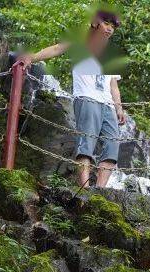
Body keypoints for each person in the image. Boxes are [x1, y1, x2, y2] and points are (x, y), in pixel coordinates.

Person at [18, 10, 125, 189]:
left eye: (113, 27)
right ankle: (84, 189)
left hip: (107, 104)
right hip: (87, 98)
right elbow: (57, 48)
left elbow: (113, 83)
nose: (109, 29)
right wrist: (32, 57)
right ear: (96, 22)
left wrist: (119, 108)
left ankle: (100, 191)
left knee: (112, 145)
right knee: (87, 144)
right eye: (107, 24)